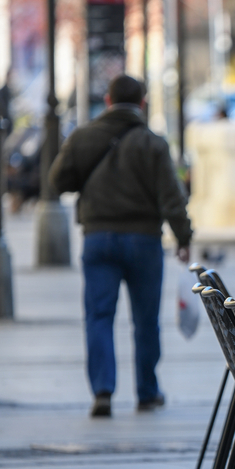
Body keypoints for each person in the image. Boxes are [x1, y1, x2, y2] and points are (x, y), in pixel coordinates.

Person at [50, 74, 193, 418]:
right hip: (144, 241)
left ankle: (103, 391)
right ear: (142, 102)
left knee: (99, 316)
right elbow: (172, 197)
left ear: (108, 100)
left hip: (98, 240)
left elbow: (57, 181)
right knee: (146, 321)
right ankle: (147, 392)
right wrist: (184, 237)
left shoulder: (83, 137)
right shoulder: (153, 143)